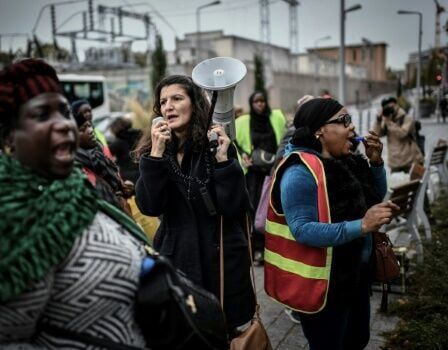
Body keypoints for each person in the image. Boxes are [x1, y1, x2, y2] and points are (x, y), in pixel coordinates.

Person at [0, 59, 150, 349]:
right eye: (42, 114)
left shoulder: (68, 187)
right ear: (8, 135)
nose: (64, 124)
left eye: (64, 111)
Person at [264, 98, 399, 350]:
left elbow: (373, 197)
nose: (352, 127)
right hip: (323, 286)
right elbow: (303, 230)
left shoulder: (347, 159)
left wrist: (376, 163)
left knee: (358, 340)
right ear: (319, 130)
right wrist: (361, 225)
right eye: (344, 121)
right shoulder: (298, 170)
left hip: (355, 275)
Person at [134, 75, 255, 335]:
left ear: (195, 104)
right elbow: (149, 206)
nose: (168, 107)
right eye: (163, 102)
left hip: (219, 259)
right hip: (177, 256)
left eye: (177, 98)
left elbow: (235, 207)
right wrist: (155, 155)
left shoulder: (216, 145)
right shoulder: (155, 151)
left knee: (221, 332)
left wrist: (223, 162)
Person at [235, 91, 287, 262]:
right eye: (256, 102)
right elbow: (234, 141)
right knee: (256, 208)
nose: (260, 105)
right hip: (254, 174)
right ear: (251, 103)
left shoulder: (276, 118)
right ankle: (257, 248)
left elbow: (283, 139)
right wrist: (243, 155)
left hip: (273, 171)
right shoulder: (243, 122)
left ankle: (271, 248)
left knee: (273, 208)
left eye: (262, 101)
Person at [72, 109, 131, 215]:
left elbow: (114, 179)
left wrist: (123, 188)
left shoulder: (98, 151)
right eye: (82, 129)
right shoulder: (76, 168)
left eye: (89, 125)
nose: (90, 130)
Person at [373, 96, 424, 173]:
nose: (391, 109)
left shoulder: (406, 118)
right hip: (395, 162)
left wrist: (389, 122)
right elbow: (375, 135)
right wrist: (378, 120)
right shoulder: (387, 120)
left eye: (392, 106)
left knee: (414, 184)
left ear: (397, 105)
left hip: (410, 161)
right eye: (387, 107)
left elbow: (402, 134)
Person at [108, 116, 142, 183]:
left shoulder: (117, 143)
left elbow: (106, 154)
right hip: (142, 170)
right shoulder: (139, 134)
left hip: (128, 176)